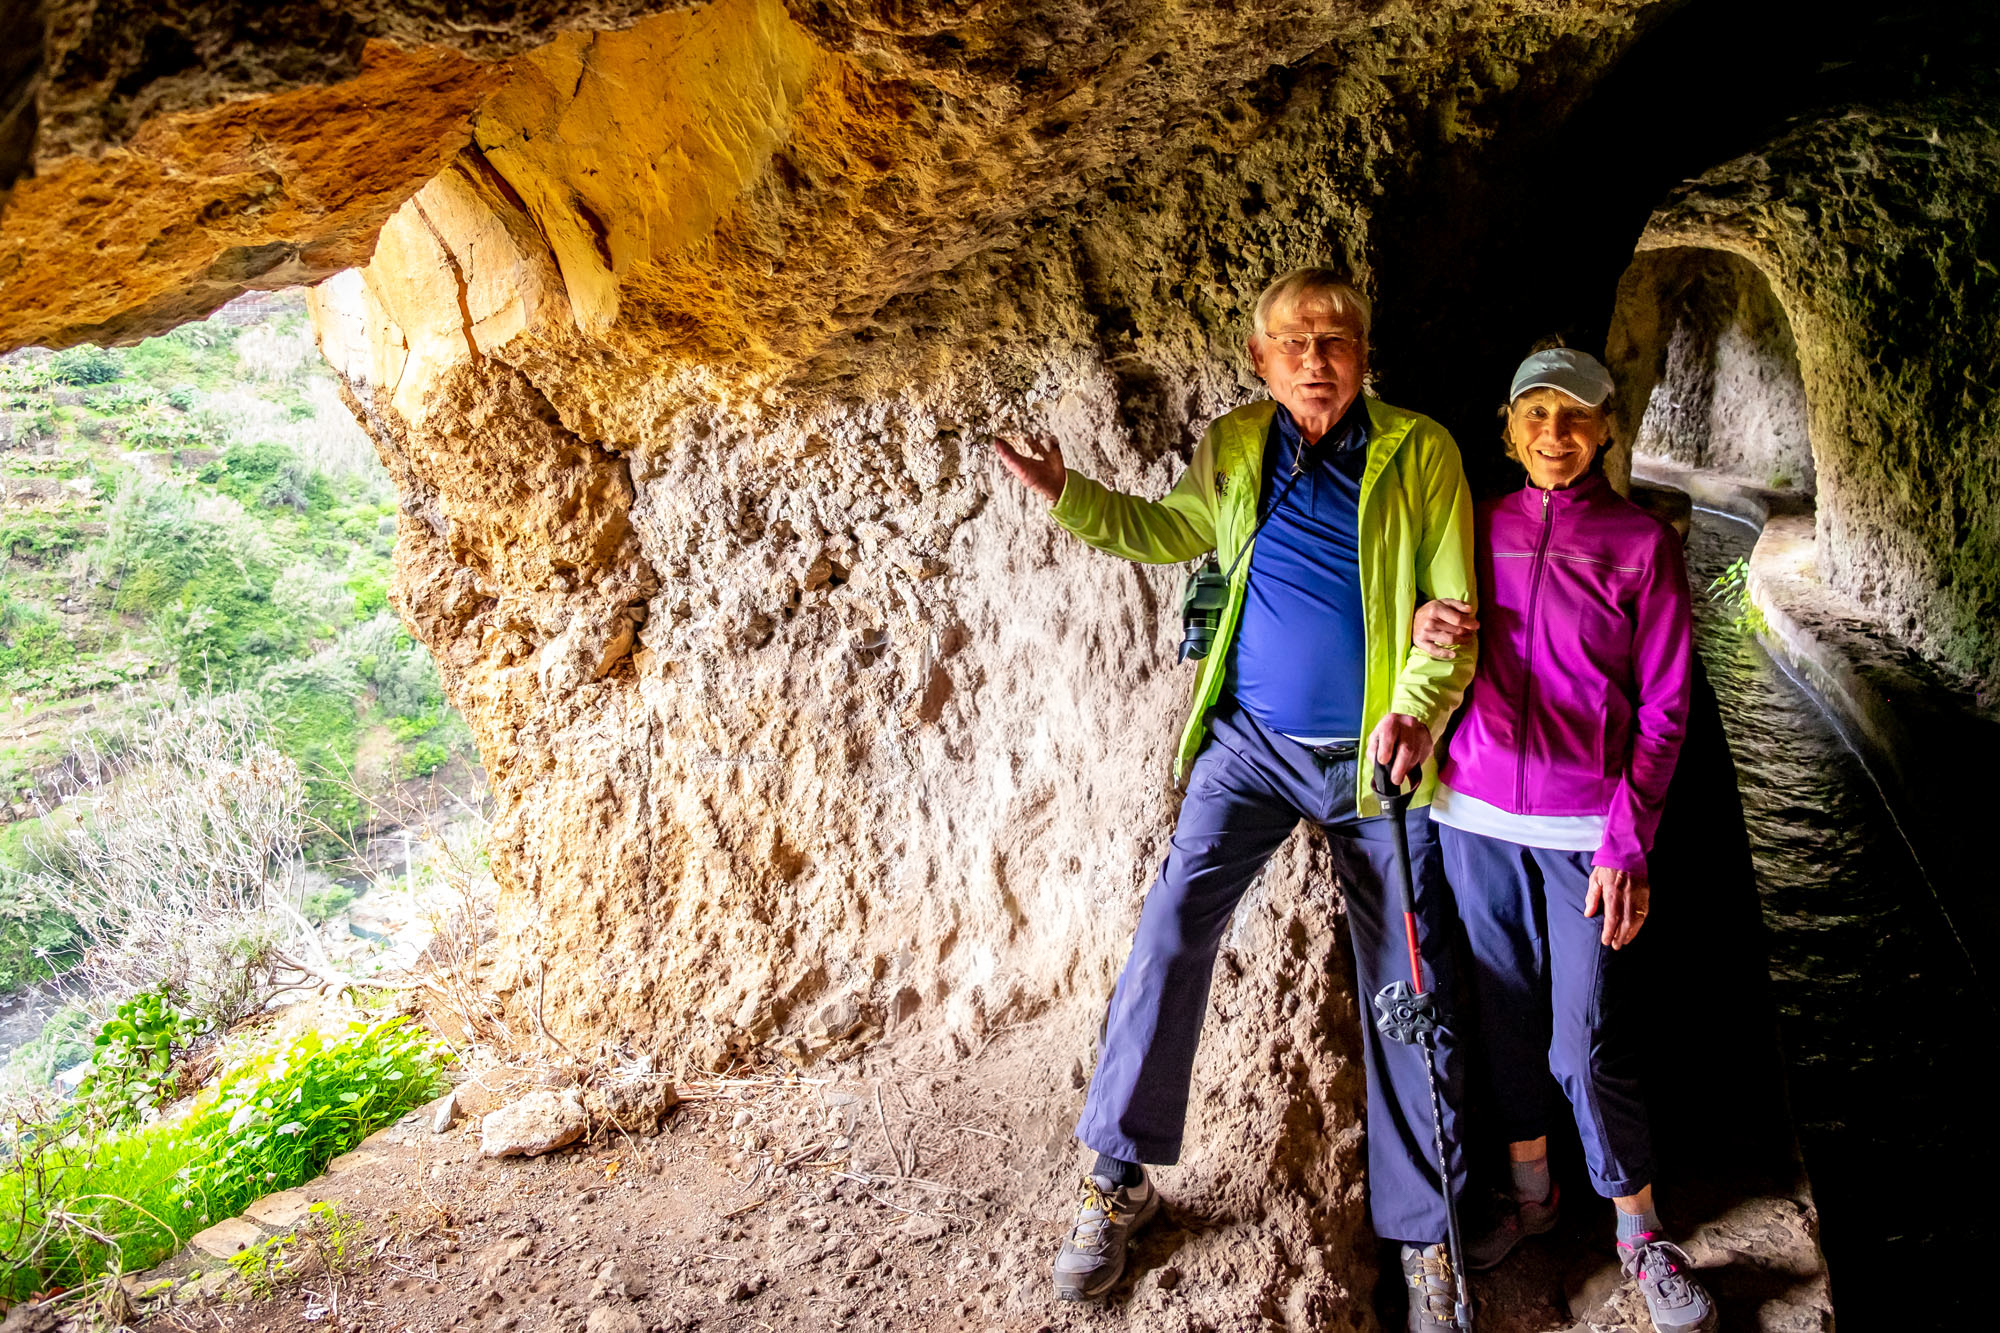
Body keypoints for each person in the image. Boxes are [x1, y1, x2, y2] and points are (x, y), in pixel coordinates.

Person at [993, 268, 1478, 1332]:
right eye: (1294, 341)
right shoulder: (1235, 444)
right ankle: (1116, 1177)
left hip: (1372, 762)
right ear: (1260, 360)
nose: (1316, 358)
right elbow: (1167, 531)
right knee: (1171, 926)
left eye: (1335, 339)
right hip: (1250, 748)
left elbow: (1451, 612)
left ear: (1364, 354)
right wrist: (1064, 492)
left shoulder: (1421, 451)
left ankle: (1425, 1233)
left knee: (1407, 980)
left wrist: (1416, 708)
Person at [1410, 347, 1715, 1333]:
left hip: (1587, 826)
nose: (1555, 433)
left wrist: (1628, 841)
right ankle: (1532, 1197)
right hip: (1474, 814)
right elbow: (1420, 630)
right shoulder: (1475, 525)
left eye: (1575, 415)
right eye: (1535, 413)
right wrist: (1421, 626)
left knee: (1582, 1038)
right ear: (1507, 428)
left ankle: (1638, 1229)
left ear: (1605, 428)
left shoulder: (1640, 544)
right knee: (1500, 1018)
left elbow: (1665, 708)